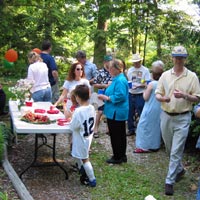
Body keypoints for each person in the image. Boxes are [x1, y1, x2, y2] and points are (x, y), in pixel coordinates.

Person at [155, 46, 200, 196]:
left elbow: (197, 98)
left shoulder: (192, 76)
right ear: (172, 58)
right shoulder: (165, 75)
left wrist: (185, 96)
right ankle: (179, 170)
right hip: (166, 115)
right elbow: (157, 94)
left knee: (176, 150)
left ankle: (169, 181)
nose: (179, 60)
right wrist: (163, 98)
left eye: (181, 57)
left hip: (183, 117)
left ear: (185, 58)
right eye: (176, 57)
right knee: (169, 149)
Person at [98, 59, 129, 164]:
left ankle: (117, 157)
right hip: (115, 111)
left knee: (116, 135)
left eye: (111, 68)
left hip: (117, 111)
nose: (109, 69)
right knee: (120, 134)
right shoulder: (117, 79)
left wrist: (106, 97)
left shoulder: (120, 80)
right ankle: (121, 155)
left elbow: (120, 95)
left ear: (116, 69)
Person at [134, 60, 164, 153]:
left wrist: (144, 91)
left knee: (143, 126)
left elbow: (145, 97)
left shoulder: (152, 84)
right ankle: (155, 145)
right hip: (160, 108)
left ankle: (143, 146)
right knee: (156, 126)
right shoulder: (163, 83)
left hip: (150, 107)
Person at [69, 84, 96, 187]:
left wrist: (71, 118)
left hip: (81, 137)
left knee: (85, 158)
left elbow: (73, 126)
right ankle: (81, 169)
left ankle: (92, 179)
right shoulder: (91, 108)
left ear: (78, 97)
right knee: (77, 153)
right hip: (88, 136)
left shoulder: (78, 111)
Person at [126, 53, 151, 136]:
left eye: (137, 62)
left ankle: (143, 129)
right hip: (131, 93)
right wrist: (130, 86)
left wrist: (140, 85)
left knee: (141, 112)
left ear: (140, 61)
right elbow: (129, 81)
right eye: (134, 62)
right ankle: (131, 129)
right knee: (130, 112)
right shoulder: (130, 70)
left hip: (140, 94)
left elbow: (148, 83)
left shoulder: (145, 70)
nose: (136, 63)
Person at [93, 55, 112, 138]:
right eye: (109, 62)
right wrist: (104, 85)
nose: (110, 63)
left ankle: (109, 129)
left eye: (111, 61)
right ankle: (95, 129)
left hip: (111, 94)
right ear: (105, 62)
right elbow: (94, 84)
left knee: (109, 111)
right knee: (100, 112)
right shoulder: (100, 72)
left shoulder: (113, 71)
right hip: (101, 93)